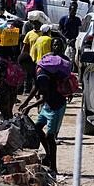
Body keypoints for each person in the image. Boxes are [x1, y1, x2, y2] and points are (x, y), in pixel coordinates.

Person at [18, 38, 70, 175]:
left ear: (26, 65)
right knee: (37, 128)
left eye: (22, 68)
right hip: (48, 106)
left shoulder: (41, 75)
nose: (23, 71)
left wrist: (30, 107)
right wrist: (25, 102)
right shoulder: (38, 69)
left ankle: (54, 167)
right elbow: (36, 87)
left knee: (50, 137)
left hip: (56, 106)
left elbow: (46, 96)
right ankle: (48, 156)